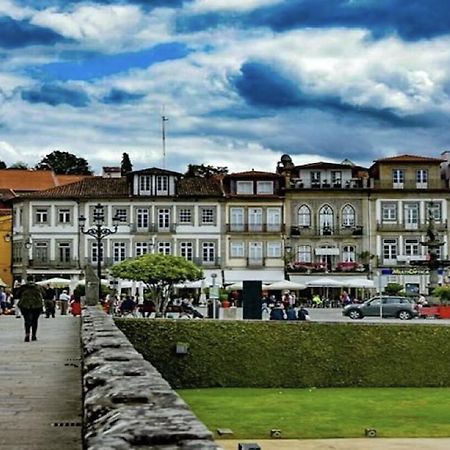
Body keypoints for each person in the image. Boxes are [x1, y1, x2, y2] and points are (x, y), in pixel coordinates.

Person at [17, 277, 43, 342]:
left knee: (26, 320)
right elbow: (44, 294)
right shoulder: (38, 287)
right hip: (37, 305)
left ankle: (27, 334)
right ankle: (34, 335)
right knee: (35, 320)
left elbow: (17, 294)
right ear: (33, 280)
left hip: (25, 305)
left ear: (27, 280)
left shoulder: (23, 287)